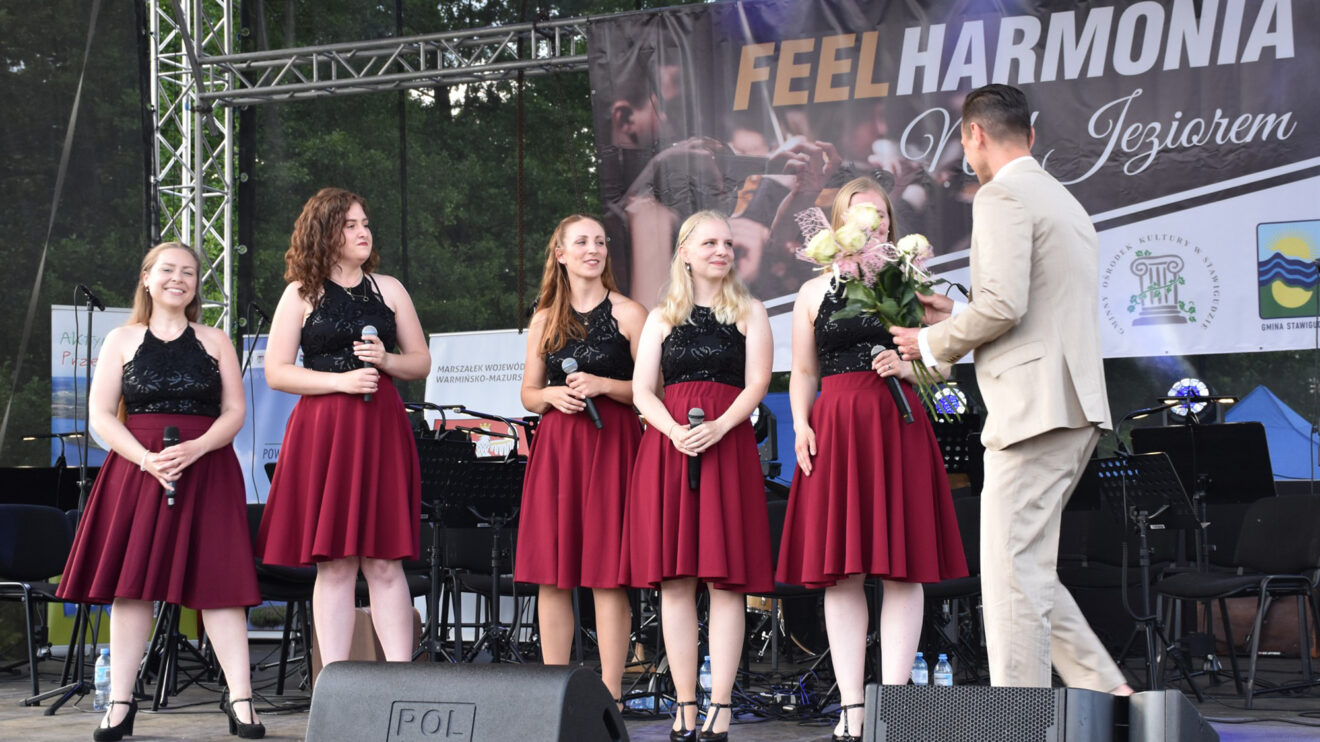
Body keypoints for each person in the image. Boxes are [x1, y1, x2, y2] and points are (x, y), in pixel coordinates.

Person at [890, 84, 1134, 694]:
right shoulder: (1060, 199)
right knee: (1026, 571)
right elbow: (1028, 303)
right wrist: (955, 310)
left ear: (973, 135)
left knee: (1008, 580)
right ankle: (1112, 694)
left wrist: (931, 342)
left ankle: (1016, 720)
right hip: (1066, 402)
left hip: (1034, 408)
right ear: (1031, 133)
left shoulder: (1000, 195)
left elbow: (1002, 305)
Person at [776, 178, 968, 741]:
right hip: (836, 425)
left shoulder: (909, 282)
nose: (875, 223)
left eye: (881, 215)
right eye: (863, 215)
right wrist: (802, 425)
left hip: (897, 423)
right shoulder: (813, 292)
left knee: (902, 569)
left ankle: (897, 707)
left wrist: (908, 367)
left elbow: (946, 364)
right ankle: (852, 708)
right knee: (843, 572)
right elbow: (805, 371)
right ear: (840, 222)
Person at [57, 242, 265, 740]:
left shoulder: (216, 341)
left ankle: (241, 702)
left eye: (189, 272)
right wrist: (147, 459)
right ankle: (121, 704)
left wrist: (196, 449)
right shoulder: (121, 339)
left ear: (196, 285)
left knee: (220, 588)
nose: (179, 278)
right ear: (147, 278)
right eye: (168, 270)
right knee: (132, 588)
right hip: (138, 467)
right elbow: (101, 415)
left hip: (207, 467)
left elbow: (235, 413)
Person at [257, 187, 431, 666]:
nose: (362, 232)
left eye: (365, 223)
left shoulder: (389, 288)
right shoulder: (300, 293)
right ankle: (332, 682)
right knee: (333, 565)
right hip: (324, 430)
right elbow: (277, 371)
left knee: (384, 560)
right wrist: (339, 380)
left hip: (380, 429)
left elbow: (420, 363)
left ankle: (402, 678)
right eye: (350, 224)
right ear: (324, 232)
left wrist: (387, 360)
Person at [620, 210, 773, 742]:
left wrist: (722, 428)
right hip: (670, 450)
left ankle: (722, 707)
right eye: (710, 242)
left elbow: (756, 385)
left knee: (726, 581)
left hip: (726, 449)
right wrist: (673, 432)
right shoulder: (662, 316)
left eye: (727, 243)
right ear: (684, 251)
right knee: (676, 581)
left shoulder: (751, 311)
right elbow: (642, 392)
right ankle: (685, 704)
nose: (722, 251)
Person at [514, 214, 647, 704]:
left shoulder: (632, 314)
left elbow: (654, 391)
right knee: (554, 570)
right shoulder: (545, 318)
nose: (593, 248)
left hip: (612, 446)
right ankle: (556, 694)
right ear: (561, 254)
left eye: (600, 241)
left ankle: (610, 693)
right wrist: (550, 394)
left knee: (606, 574)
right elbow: (527, 394)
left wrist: (605, 386)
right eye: (582, 241)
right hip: (558, 449)